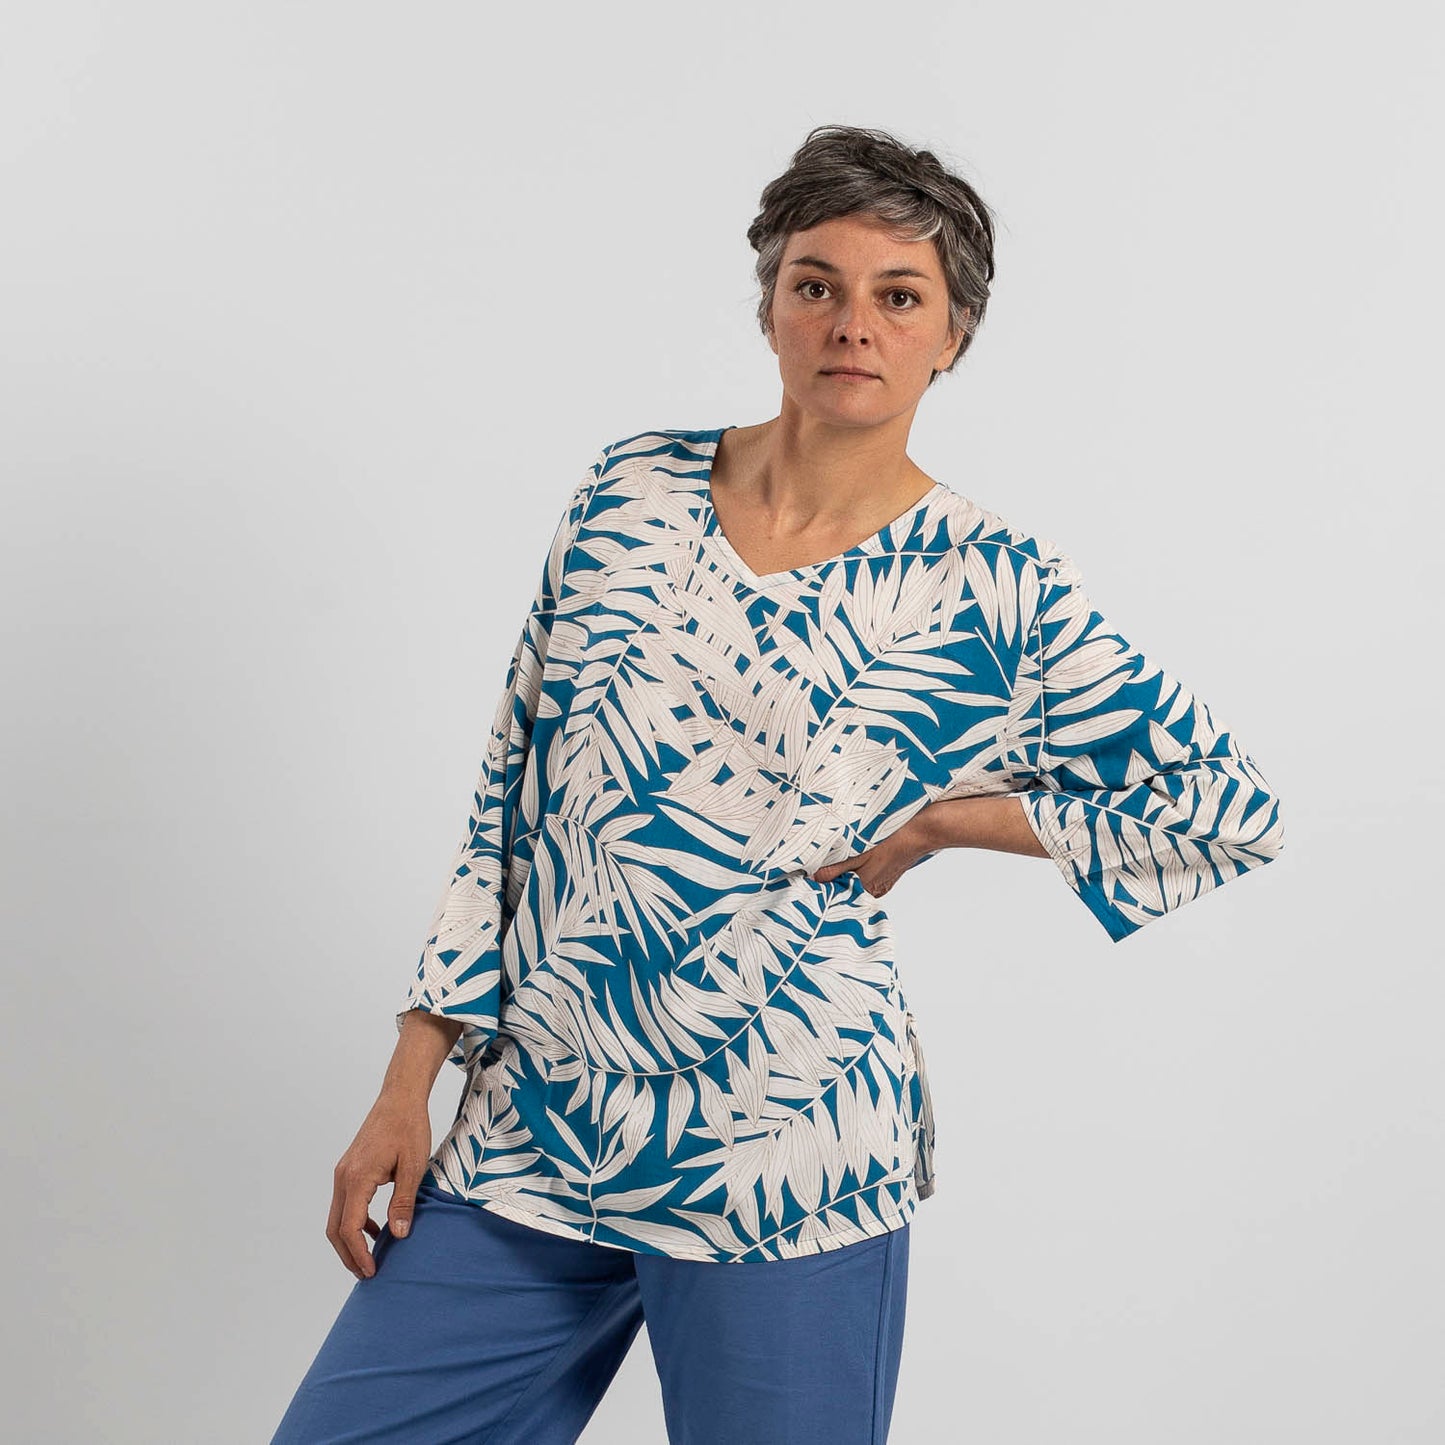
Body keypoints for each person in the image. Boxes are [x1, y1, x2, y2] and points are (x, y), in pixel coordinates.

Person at [270, 124, 1285, 1444]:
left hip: (784, 1151)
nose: (852, 323)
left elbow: (1221, 808)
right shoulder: (628, 491)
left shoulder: (991, 583)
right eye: (817, 284)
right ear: (768, 308)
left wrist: (944, 820)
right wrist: (410, 1076)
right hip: (533, 1129)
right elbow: (508, 797)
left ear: (953, 336)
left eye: (898, 296)